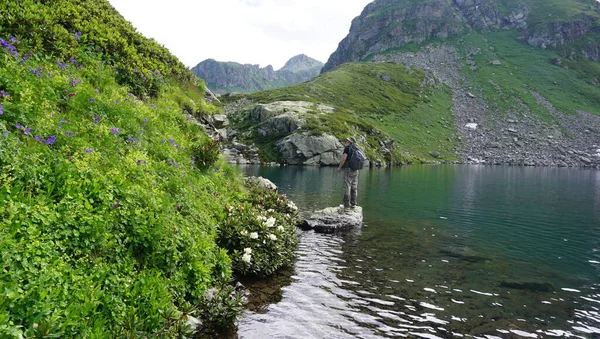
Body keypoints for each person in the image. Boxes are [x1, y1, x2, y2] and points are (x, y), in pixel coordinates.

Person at [337, 137, 359, 209]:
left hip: (348, 169)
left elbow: (344, 159)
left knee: (347, 186)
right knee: (354, 186)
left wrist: (340, 167)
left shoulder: (347, 148)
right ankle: (353, 203)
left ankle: (346, 204)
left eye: (347, 140)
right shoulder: (356, 149)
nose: (345, 141)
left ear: (350, 142)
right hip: (356, 170)